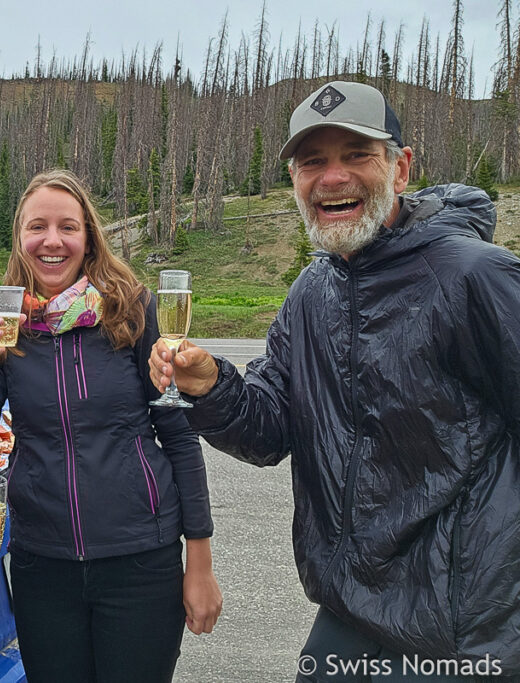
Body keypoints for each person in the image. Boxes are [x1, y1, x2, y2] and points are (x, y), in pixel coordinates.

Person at [150, 81, 520, 680]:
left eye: (356, 155)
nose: (332, 177)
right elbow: (270, 427)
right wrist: (209, 383)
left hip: (464, 630)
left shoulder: (476, 277)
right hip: (348, 611)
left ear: (400, 169)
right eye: (312, 161)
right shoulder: (312, 292)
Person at [0, 169, 222, 683]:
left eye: (67, 227)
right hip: (42, 563)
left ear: (88, 236)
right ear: (20, 237)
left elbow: (181, 439)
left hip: (141, 559)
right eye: (37, 227)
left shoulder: (133, 309)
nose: (52, 241)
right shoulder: (6, 321)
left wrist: (200, 565)